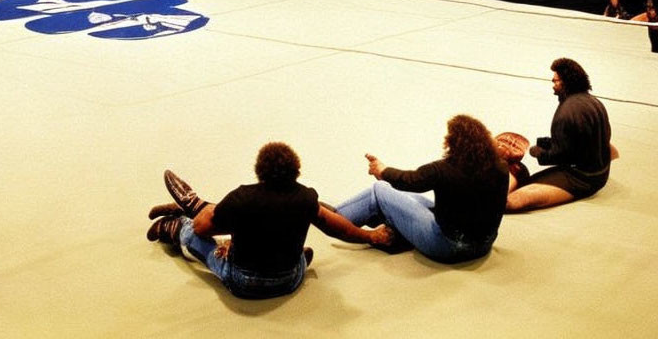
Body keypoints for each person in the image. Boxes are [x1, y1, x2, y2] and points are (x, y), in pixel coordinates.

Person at [146, 142, 392, 299]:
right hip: (290, 278)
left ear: (259, 170)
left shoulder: (242, 198)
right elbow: (336, 227)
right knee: (277, 235)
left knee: (193, 232)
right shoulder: (306, 198)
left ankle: (177, 224)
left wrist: (198, 221)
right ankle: (196, 208)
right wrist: (371, 236)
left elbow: (202, 228)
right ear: (296, 169)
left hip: (244, 282)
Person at [336, 114, 509, 263]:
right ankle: (392, 230)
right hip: (482, 246)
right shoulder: (501, 168)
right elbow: (409, 185)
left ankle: (335, 218)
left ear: (453, 142)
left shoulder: (442, 169)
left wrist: (382, 170)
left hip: (446, 247)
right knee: (403, 196)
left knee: (379, 189)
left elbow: (409, 180)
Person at [506, 58, 613, 212]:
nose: (553, 87)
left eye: (555, 82)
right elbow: (597, 139)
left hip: (581, 178)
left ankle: (516, 171)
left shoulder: (565, 112)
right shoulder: (595, 102)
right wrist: (549, 142)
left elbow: (561, 157)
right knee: (528, 183)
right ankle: (518, 173)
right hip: (600, 172)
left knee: (510, 202)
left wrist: (538, 152)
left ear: (566, 82)